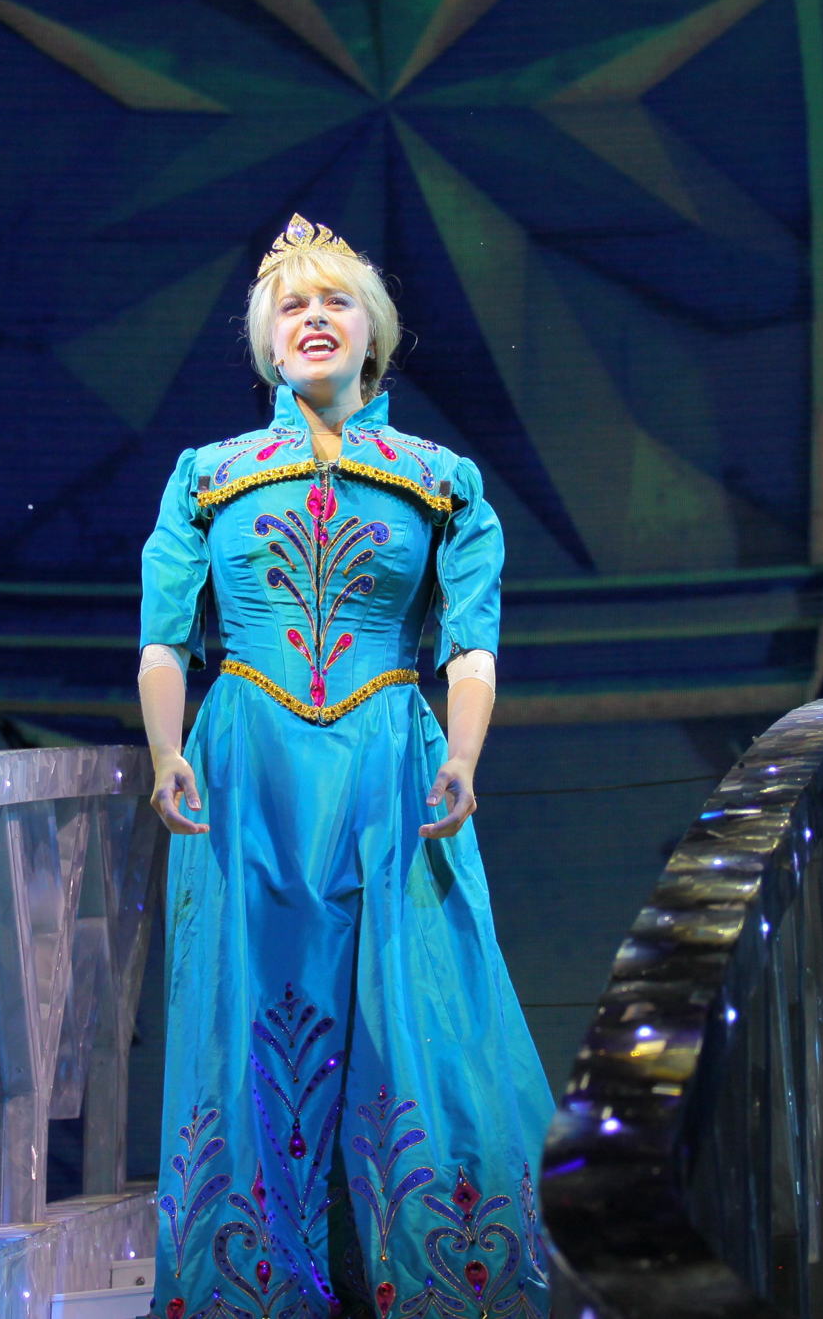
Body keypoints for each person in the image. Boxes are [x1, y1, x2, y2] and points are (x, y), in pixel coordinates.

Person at [137, 215, 552, 1319]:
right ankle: (255, 1290)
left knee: (414, 1019)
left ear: (375, 334)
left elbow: (471, 645)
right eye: (291, 305)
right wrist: (166, 748)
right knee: (251, 1023)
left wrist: (463, 751)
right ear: (265, 340)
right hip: (247, 775)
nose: (312, 318)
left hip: (389, 769)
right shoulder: (209, 475)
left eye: (335, 302)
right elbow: (163, 638)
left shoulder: (441, 480)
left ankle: (437, 1284)